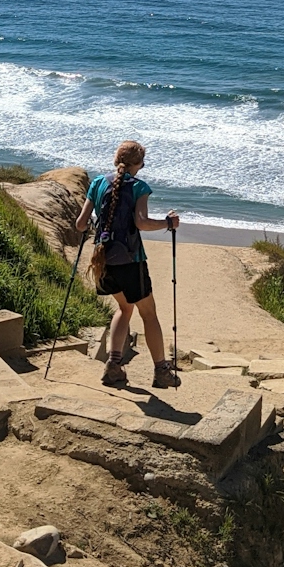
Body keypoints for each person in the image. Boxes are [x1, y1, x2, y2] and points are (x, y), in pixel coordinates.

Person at [75, 139, 180, 389]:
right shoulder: (139, 187)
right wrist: (168, 223)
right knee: (148, 313)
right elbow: (142, 222)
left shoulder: (98, 183)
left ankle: (114, 366)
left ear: (116, 159)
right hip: (131, 262)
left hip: (103, 261)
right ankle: (161, 371)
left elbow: (80, 225)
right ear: (140, 164)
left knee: (124, 309)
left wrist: (98, 227)